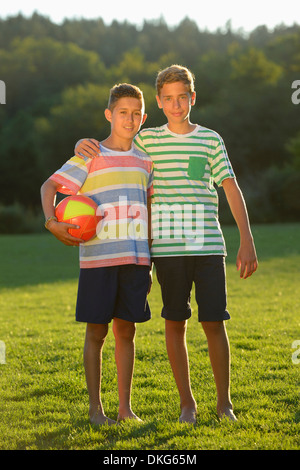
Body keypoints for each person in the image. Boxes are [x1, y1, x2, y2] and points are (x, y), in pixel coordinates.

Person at [74, 65, 258, 424]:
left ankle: (225, 403)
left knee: (214, 321)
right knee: (175, 322)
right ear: (158, 102)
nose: (176, 105)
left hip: (207, 247)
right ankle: (187, 403)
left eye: (183, 97)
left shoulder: (210, 140)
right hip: (166, 250)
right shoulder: (147, 140)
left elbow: (231, 189)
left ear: (193, 97)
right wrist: (82, 145)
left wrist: (246, 240)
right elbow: (116, 143)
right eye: (168, 99)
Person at [41, 83, 154, 426]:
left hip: (135, 260)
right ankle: (95, 410)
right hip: (97, 260)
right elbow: (50, 186)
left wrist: (149, 258)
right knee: (96, 333)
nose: (129, 118)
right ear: (109, 115)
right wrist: (51, 222)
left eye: (136, 113)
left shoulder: (145, 161)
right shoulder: (91, 154)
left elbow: (147, 208)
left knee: (126, 333)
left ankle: (125, 409)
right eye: (122, 112)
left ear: (143, 117)